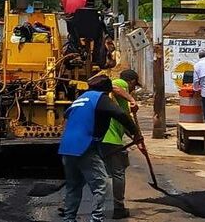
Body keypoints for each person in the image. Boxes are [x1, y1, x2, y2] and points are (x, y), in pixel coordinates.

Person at [59, 75, 143, 222]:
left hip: (66, 147)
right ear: (106, 89)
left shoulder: (80, 99)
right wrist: (136, 133)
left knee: (74, 186)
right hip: (84, 146)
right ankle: (96, 219)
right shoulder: (100, 98)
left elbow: (66, 118)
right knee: (101, 184)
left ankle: (69, 219)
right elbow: (120, 114)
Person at [101, 69, 142, 219]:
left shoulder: (119, 102)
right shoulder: (121, 84)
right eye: (134, 86)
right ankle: (118, 208)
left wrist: (136, 138)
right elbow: (113, 86)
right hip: (109, 138)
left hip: (107, 138)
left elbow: (124, 124)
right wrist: (132, 99)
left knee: (95, 172)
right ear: (130, 82)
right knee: (118, 173)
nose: (133, 89)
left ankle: (70, 205)